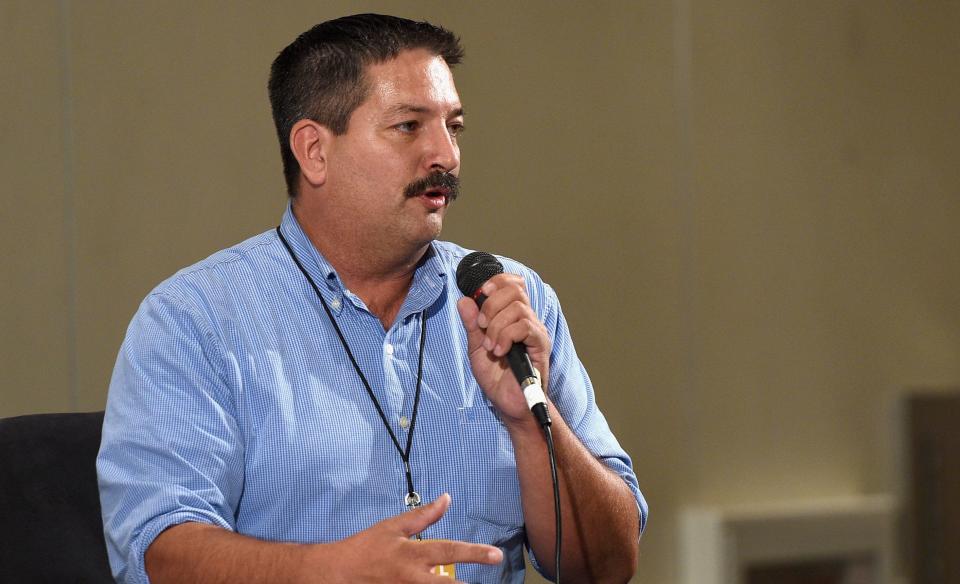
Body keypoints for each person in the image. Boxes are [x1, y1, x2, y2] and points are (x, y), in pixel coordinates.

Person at [98, 13, 647, 584]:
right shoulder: (197, 320)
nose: (447, 155)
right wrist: (327, 571)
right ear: (314, 151)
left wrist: (532, 422)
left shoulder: (508, 304)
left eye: (453, 126)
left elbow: (607, 566)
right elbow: (158, 551)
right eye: (409, 126)